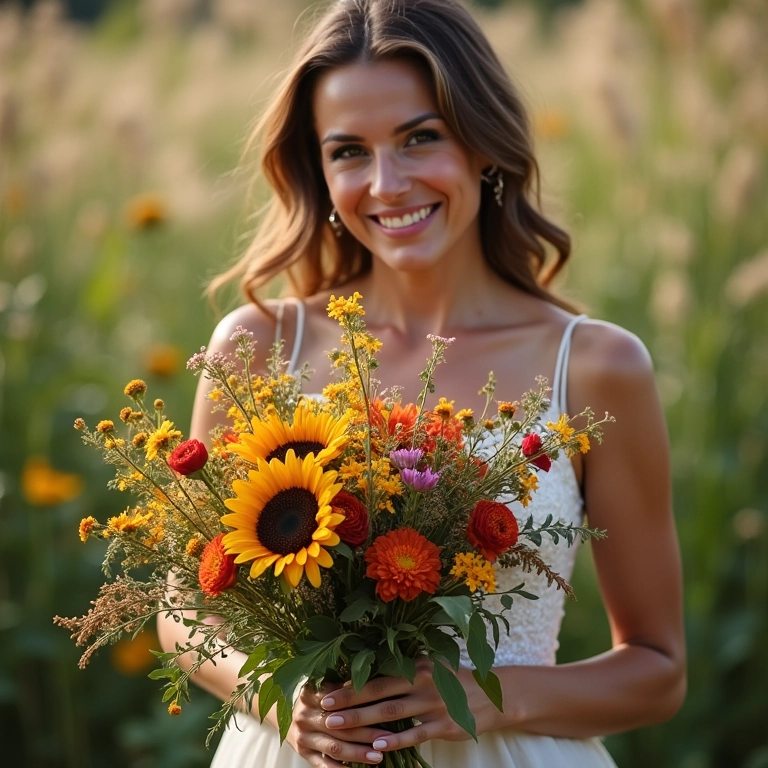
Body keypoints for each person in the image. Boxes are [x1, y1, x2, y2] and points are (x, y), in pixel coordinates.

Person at [157, 1, 686, 766]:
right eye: (348, 152)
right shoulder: (257, 347)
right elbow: (182, 605)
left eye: (420, 138)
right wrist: (280, 695)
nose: (386, 183)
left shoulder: (598, 366)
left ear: (484, 145)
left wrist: (485, 693)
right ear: (319, 169)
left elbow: (658, 672)